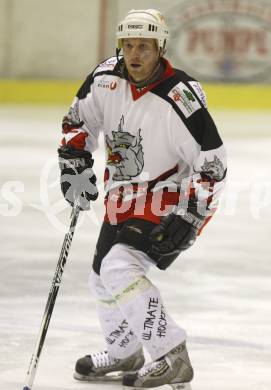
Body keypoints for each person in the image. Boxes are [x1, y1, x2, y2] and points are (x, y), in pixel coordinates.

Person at [58, 9, 227, 389]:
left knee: (119, 267)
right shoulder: (104, 78)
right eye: (129, 46)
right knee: (102, 277)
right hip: (122, 195)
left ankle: (171, 356)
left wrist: (191, 215)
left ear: (160, 47)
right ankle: (124, 352)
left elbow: (213, 164)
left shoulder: (180, 97)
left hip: (170, 195)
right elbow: (77, 122)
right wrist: (74, 164)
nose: (135, 55)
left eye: (144, 47)